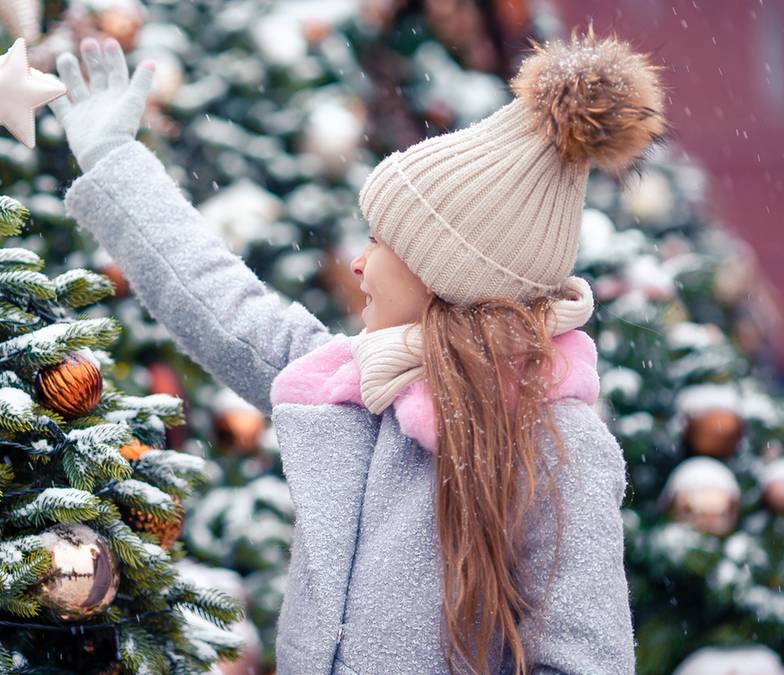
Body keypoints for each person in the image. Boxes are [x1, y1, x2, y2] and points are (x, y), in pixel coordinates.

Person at [49, 27, 665, 675]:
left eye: (380, 242)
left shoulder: (553, 440)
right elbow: (218, 300)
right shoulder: (356, 382)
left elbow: (586, 661)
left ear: (444, 272)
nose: (359, 263)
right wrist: (113, 160)